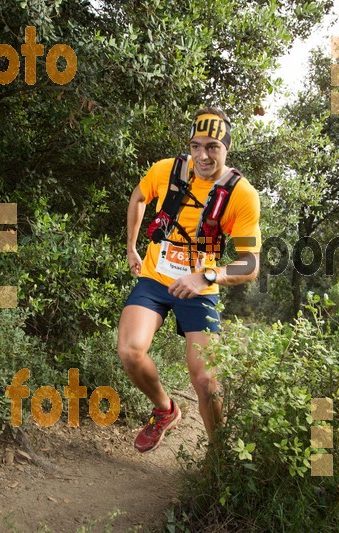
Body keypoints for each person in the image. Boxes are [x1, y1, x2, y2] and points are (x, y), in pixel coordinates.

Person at [118, 107, 261, 453]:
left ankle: (217, 456)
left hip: (200, 287)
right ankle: (165, 410)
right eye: (196, 146)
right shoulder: (167, 170)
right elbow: (138, 197)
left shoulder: (242, 195)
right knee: (130, 351)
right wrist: (132, 247)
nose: (202, 155)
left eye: (212, 146)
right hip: (155, 278)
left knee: (207, 382)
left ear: (226, 147)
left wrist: (207, 276)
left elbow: (250, 264)